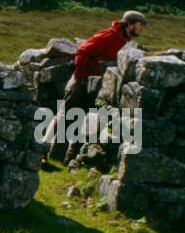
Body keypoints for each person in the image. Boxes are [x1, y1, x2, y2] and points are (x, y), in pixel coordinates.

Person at [45, 10, 147, 161]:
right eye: (140, 25)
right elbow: (83, 50)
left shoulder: (125, 42)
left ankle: (69, 158)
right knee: (66, 118)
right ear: (130, 24)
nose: (141, 29)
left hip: (97, 86)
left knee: (83, 120)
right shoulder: (109, 35)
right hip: (82, 82)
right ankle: (51, 155)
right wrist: (82, 78)